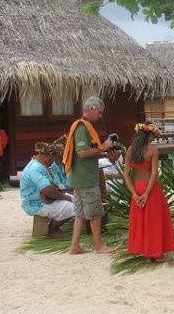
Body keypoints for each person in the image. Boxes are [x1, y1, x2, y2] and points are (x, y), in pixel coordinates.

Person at [63, 96, 114, 254]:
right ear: (91, 109)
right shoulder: (82, 127)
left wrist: (102, 151)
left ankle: (75, 246)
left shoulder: (82, 126)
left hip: (78, 178)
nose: (100, 115)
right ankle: (99, 246)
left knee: (81, 213)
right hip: (85, 179)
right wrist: (103, 148)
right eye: (99, 112)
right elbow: (83, 153)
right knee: (95, 213)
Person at [123, 122, 174, 261]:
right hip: (151, 189)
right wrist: (146, 194)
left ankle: (146, 252)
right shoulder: (153, 149)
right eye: (153, 136)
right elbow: (154, 174)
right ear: (149, 135)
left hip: (137, 187)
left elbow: (126, 173)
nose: (153, 139)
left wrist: (134, 193)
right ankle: (157, 254)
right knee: (154, 221)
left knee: (142, 221)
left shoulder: (130, 150)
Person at [20, 142, 74, 237]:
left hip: (45, 200)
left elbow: (54, 185)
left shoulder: (41, 164)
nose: (52, 161)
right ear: (45, 156)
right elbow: (47, 189)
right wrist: (63, 197)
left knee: (76, 201)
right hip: (36, 204)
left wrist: (63, 193)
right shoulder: (35, 168)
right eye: (52, 158)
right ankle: (51, 230)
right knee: (74, 208)